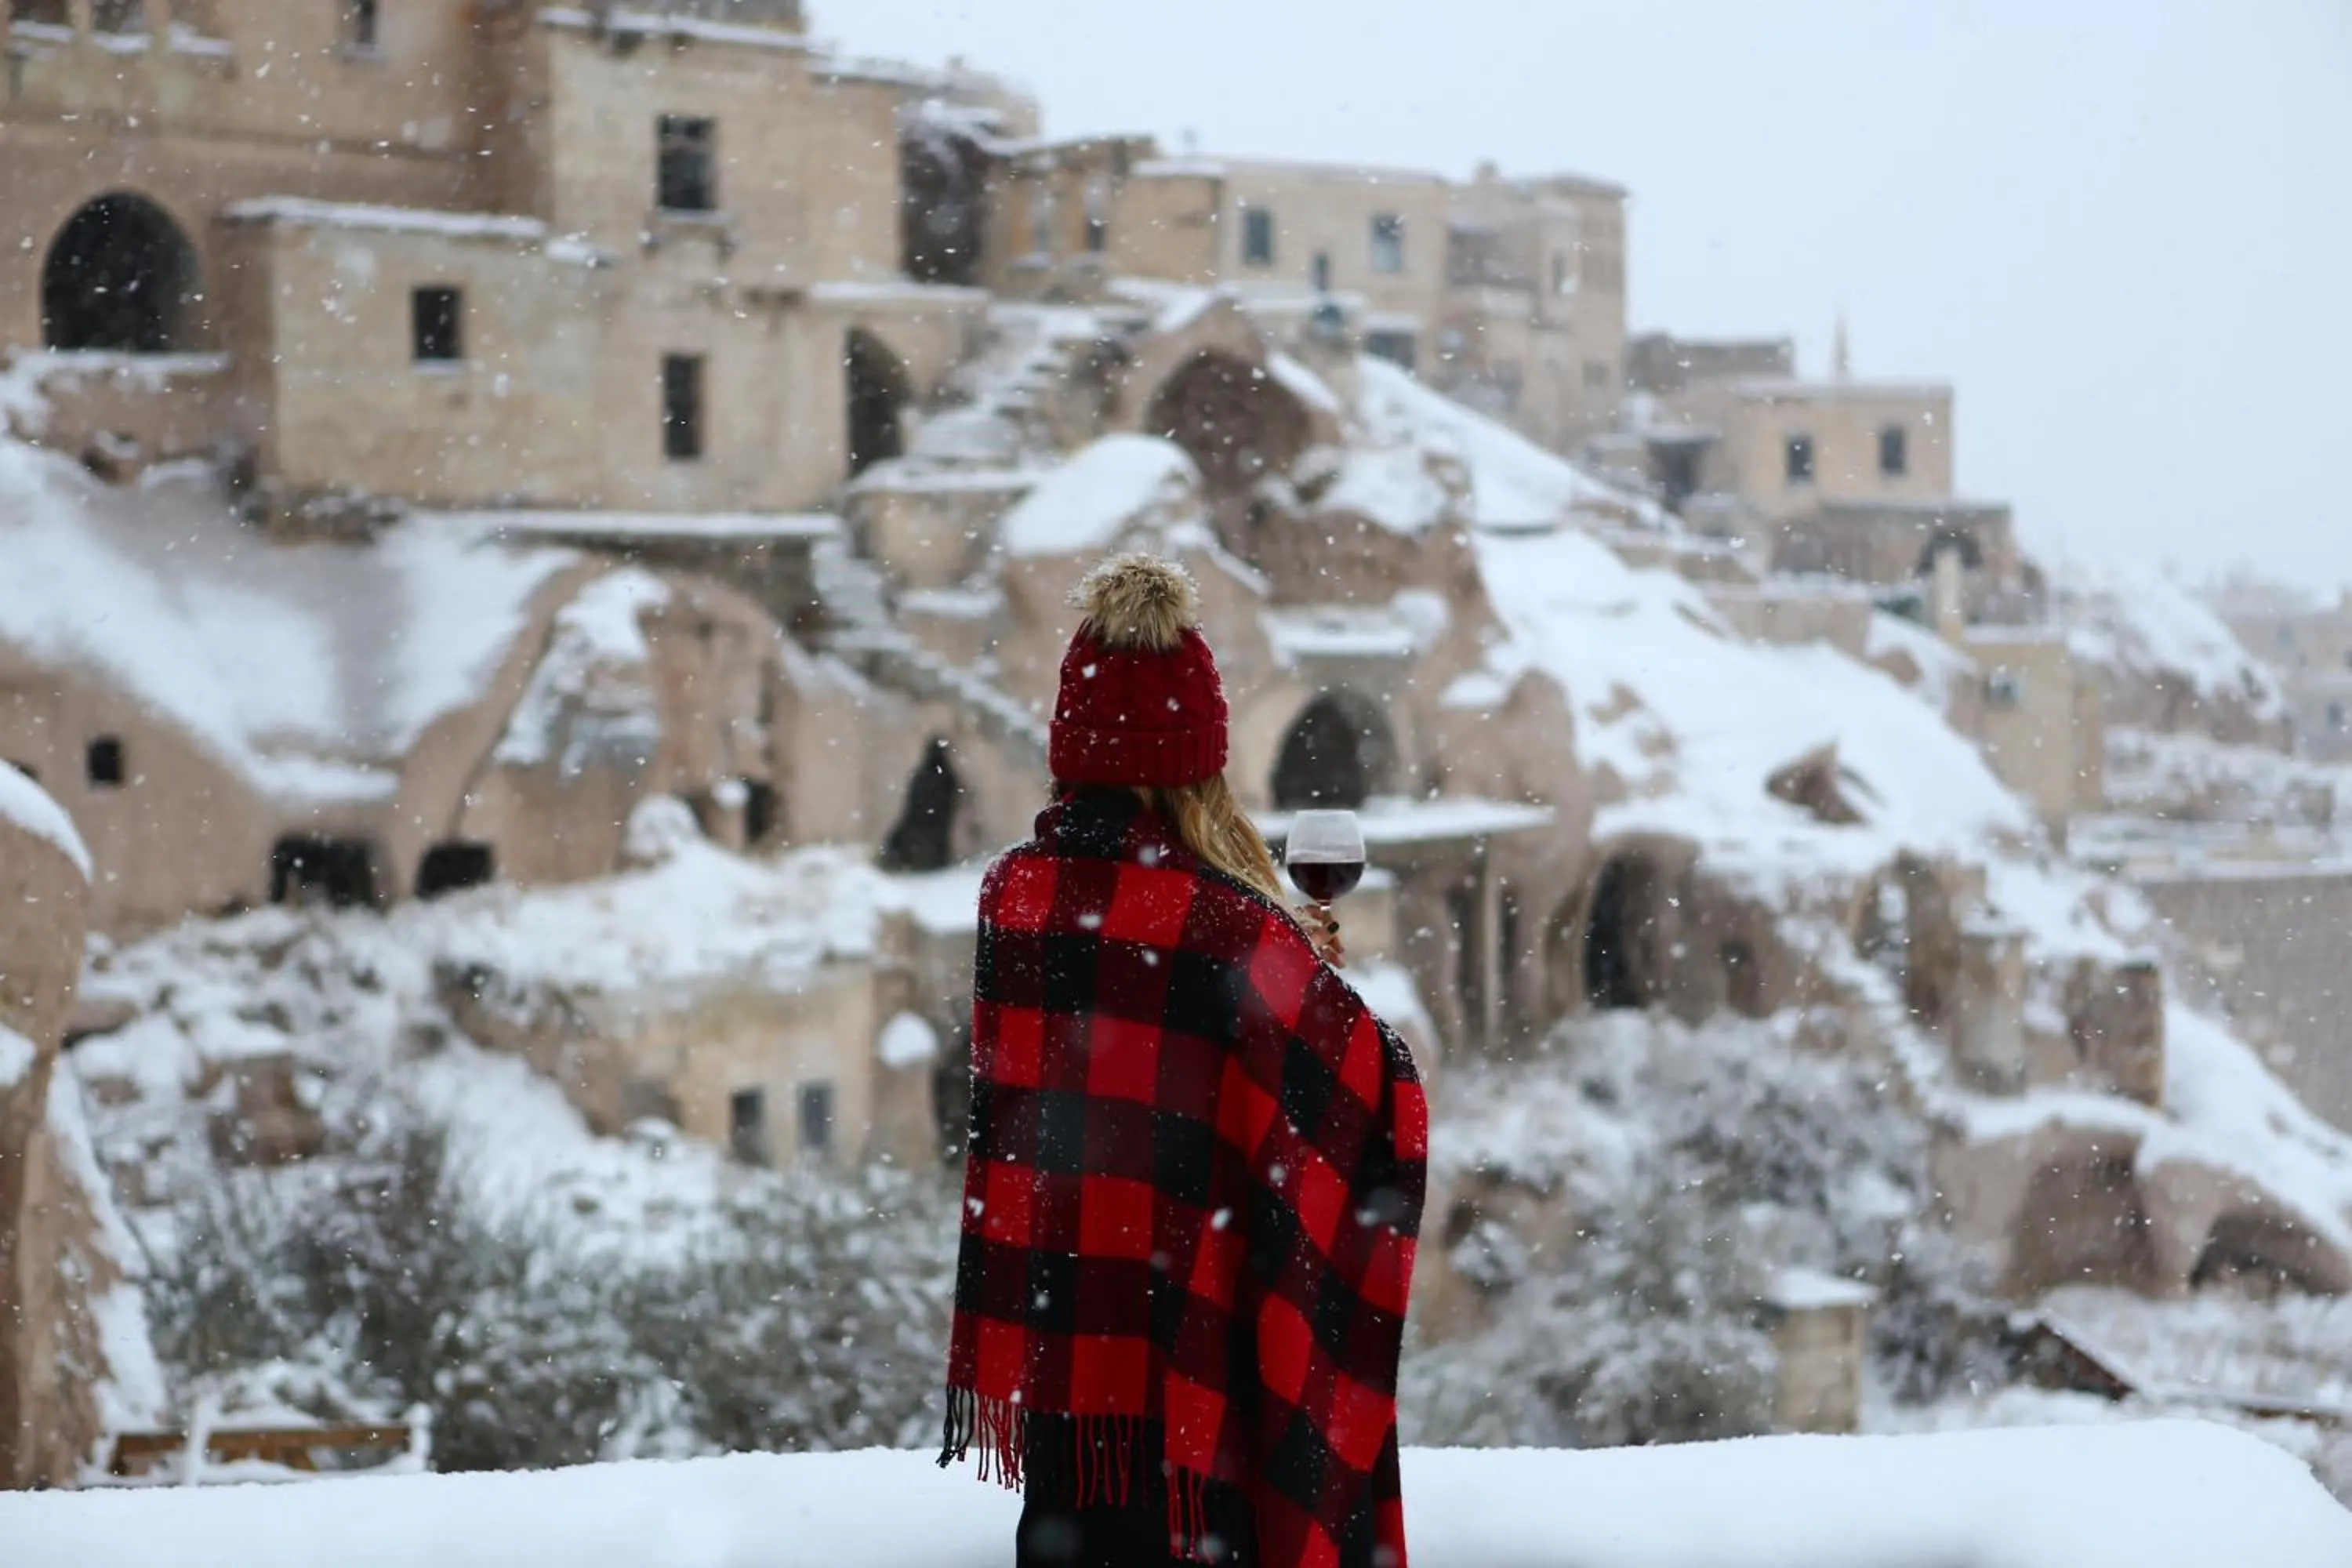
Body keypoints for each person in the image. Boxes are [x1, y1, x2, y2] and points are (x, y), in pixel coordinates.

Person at [938, 553, 1428, 1568]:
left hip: (1067, 1385)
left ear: (1070, 751)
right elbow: (1370, 1096)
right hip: (1192, 1397)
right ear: (1197, 765)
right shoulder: (1231, 933)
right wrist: (1310, 979)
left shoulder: (1011, 900)